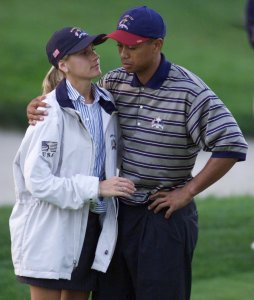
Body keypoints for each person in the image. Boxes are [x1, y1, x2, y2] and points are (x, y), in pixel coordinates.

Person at [26, 6, 248, 300]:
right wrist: (39, 104)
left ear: (157, 45)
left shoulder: (190, 92)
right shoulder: (115, 82)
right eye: (119, 46)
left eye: (132, 47)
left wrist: (188, 191)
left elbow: (231, 143)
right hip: (120, 213)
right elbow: (75, 95)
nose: (123, 54)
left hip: (165, 214)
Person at [9, 26, 136, 300]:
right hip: (50, 231)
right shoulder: (49, 113)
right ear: (63, 65)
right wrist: (97, 188)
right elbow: (38, 182)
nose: (94, 56)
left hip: (90, 228)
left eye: (93, 50)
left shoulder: (107, 104)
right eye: (83, 53)